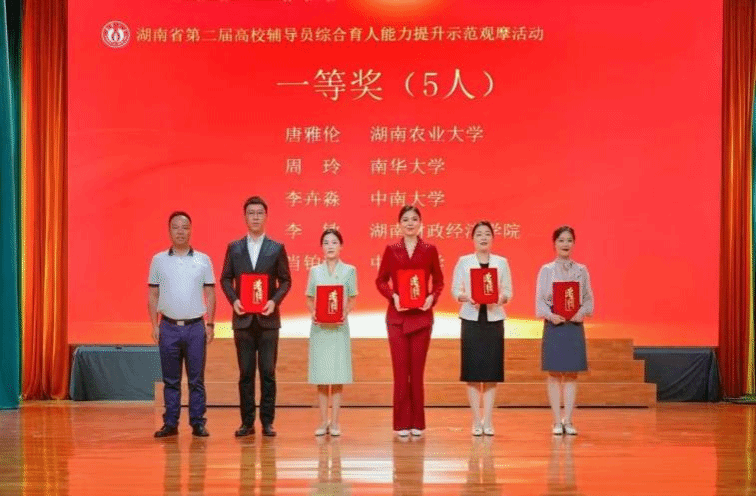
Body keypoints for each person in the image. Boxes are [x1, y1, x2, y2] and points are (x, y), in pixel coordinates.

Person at [220, 196, 292, 437]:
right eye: (251, 213)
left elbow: (286, 280)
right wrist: (234, 300)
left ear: (266, 216)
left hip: (268, 320)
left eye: (260, 213)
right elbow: (225, 278)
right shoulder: (234, 248)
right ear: (245, 217)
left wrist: (274, 301)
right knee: (246, 374)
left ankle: (268, 422)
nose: (255, 217)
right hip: (243, 320)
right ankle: (247, 422)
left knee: (268, 373)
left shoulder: (276, 248)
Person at [375, 205, 444, 437]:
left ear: (421, 223)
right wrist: (393, 296)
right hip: (397, 318)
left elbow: (439, 281)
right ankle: (401, 423)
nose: (410, 223)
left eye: (414, 219)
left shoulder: (429, 250)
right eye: (405, 220)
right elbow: (381, 280)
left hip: (421, 318)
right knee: (400, 371)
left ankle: (417, 423)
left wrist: (431, 298)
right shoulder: (392, 250)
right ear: (399, 225)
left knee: (417, 372)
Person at [148, 211, 216, 438]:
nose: (180, 231)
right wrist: (154, 325)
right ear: (169, 230)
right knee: (171, 380)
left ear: (191, 230)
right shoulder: (158, 260)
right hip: (168, 327)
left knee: (196, 380)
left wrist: (210, 324)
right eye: (176, 227)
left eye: (185, 227)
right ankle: (170, 423)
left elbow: (210, 294)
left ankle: (198, 423)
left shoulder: (203, 260)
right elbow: (153, 295)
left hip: (196, 327)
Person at [451, 221, 513, 436]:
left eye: (487, 234)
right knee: (473, 372)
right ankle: (476, 420)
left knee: (490, 373)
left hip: (494, 321)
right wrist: (467, 297)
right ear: (473, 239)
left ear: (493, 238)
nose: (483, 237)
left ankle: (488, 420)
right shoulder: (464, 261)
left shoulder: (502, 262)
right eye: (479, 234)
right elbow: (455, 290)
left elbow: (508, 291)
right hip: (471, 320)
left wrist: (500, 298)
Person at [536, 225, 594, 435]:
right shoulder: (546, 270)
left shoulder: (581, 270)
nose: (565, 244)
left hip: (574, 326)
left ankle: (568, 421)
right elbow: (540, 301)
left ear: (574, 243)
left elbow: (588, 298)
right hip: (554, 325)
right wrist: (551, 315)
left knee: (571, 374)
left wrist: (582, 312)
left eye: (569, 240)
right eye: (561, 240)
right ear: (554, 244)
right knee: (554, 374)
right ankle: (555, 421)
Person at [305, 229, 357, 437]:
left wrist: (345, 312)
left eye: (334, 242)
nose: (330, 246)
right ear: (321, 247)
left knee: (337, 375)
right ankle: (322, 421)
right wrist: (313, 312)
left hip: (339, 328)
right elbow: (310, 297)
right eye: (326, 242)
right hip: (320, 329)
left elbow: (352, 297)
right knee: (321, 376)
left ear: (341, 246)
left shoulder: (349, 270)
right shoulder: (315, 271)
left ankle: (335, 422)